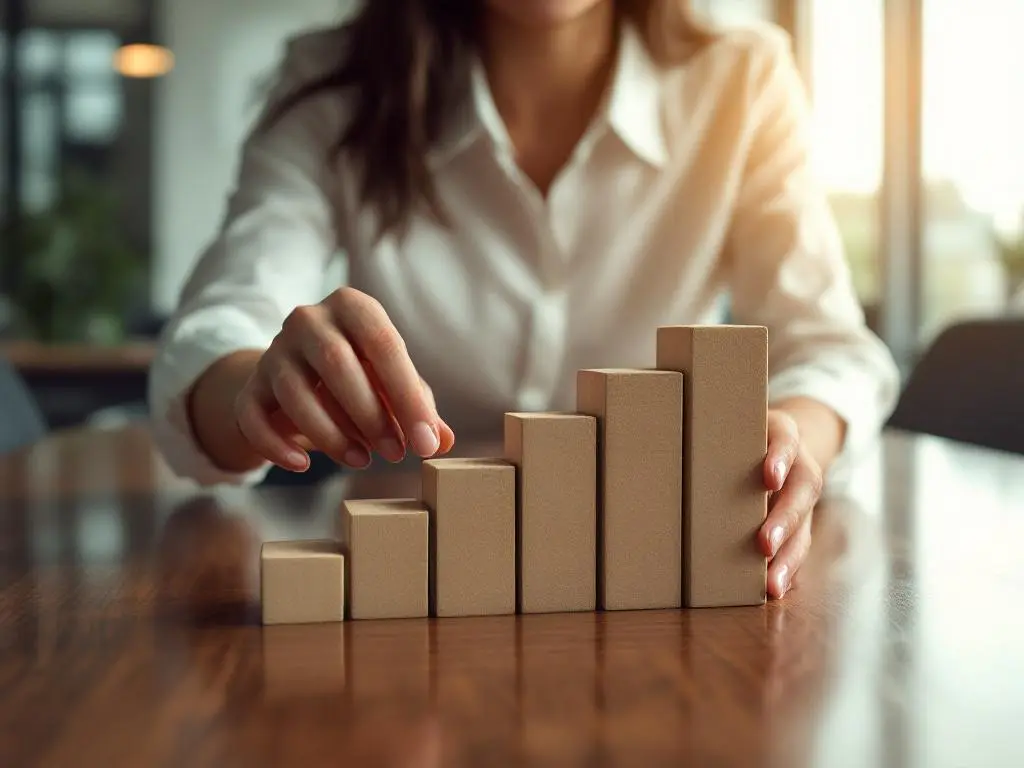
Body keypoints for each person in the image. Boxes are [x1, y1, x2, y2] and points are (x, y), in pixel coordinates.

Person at [149, 0, 900, 599]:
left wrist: (792, 437)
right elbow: (217, 329)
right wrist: (255, 391)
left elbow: (829, 349)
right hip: (417, 573)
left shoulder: (744, 76)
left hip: (651, 562)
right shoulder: (332, 79)